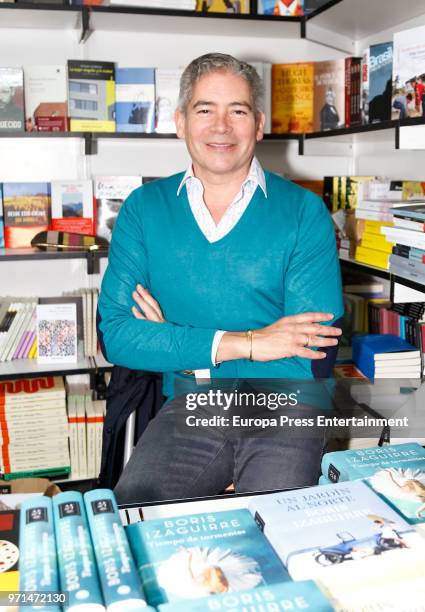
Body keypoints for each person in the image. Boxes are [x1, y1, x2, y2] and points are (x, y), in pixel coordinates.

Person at [98, 53, 344, 504]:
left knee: (279, 529)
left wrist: (176, 343)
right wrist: (249, 342)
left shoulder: (304, 212)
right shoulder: (142, 210)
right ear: (180, 122)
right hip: (193, 405)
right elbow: (117, 335)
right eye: (205, 109)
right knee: (135, 517)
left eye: (238, 110)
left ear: (259, 123)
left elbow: (310, 350)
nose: (221, 126)